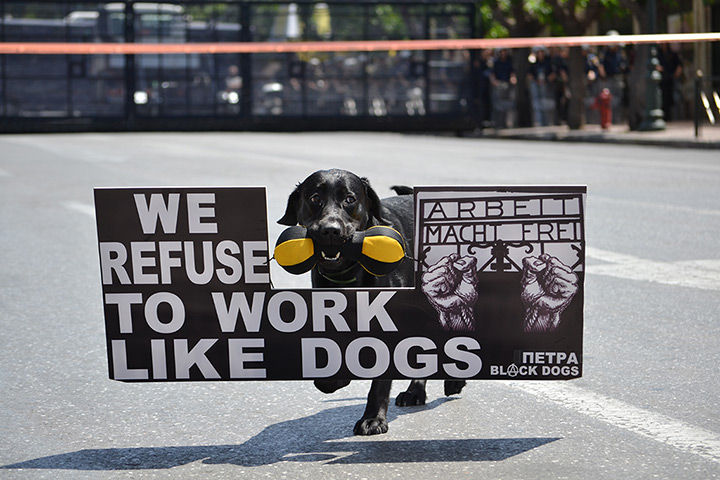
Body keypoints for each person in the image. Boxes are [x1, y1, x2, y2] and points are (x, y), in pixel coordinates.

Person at [656, 43, 683, 122]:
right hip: (662, 79)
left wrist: (676, 74)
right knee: (663, 98)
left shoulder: (672, 54)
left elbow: (679, 65)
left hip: (671, 79)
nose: (663, 45)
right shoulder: (658, 54)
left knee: (674, 99)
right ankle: (665, 117)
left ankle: (675, 118)